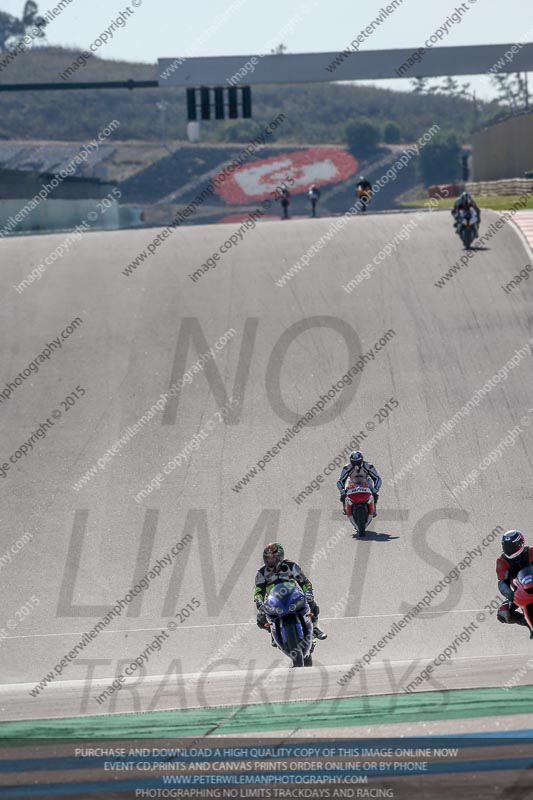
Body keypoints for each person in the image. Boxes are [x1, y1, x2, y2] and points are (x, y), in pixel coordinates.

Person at [254, 542, 327, 640]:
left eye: (272, 558)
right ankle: (273, 631)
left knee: (312, 604)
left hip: (293, 595)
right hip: (273, 600)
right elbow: (259, 590)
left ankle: (314, 627)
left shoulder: (291, 566)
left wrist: (308, 591)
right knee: (260, 617)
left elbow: (304, 581)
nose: (270, 560)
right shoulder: (261, 573)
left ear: (279, 557)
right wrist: (259, 601)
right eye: (267, 558)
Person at [496, 530, 533, 627]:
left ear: (520, 544)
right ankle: (528, 624)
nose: (508, 549)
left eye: (511, 546)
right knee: (503, 613)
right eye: (505, 546)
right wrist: (512, 596)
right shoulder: (502, 561)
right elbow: (502, 582)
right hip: (520, 593)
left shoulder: (531, 552)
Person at [337, 450, 382, 517]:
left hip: (366, 481)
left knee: (374, 494)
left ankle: (374, 508)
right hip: (351, 482)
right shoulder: (347, 468)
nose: (356, 463)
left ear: (361, 460)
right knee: (343, 495)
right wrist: (342, 490)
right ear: (350, 460)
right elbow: (340, 480)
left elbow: (377, 478)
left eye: (358, 461)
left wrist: (375, 489)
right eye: (354, 461)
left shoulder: (368, 466)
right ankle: (345, 507)